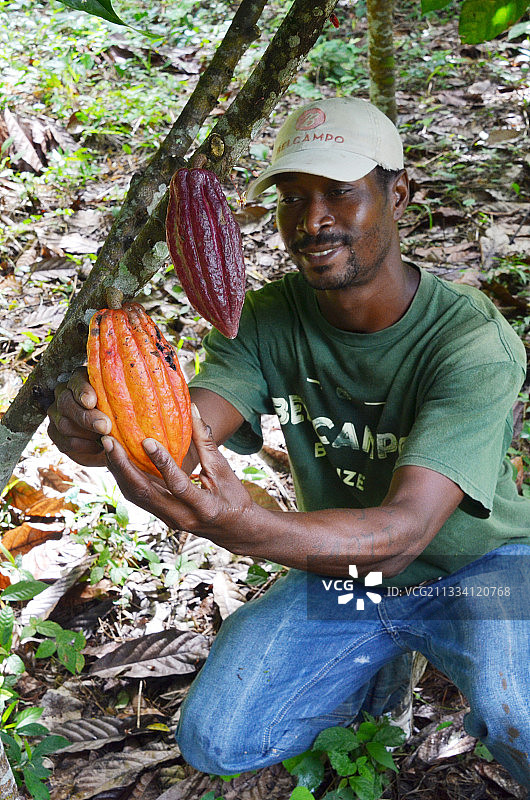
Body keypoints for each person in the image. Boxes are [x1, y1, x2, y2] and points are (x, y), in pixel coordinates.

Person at [47, 98, 530, 790]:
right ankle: (382, 678)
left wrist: (249, 528)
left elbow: (403, 534)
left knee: (521, 714)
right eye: (293, 197)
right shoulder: (267, 317)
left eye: (339, 192)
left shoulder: (471, 341)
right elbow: (184, 435)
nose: (312, 220)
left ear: (399, 193)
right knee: (220, 738)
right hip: (352, 577)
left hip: (478, 571)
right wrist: (108, 426)